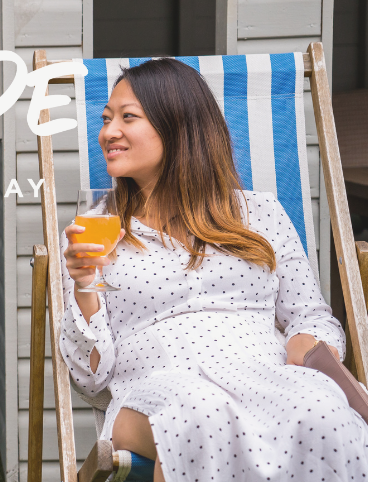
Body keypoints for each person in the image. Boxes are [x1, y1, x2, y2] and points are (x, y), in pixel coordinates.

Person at [60, 58, 368, 481]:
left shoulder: (260, 214)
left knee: (322, 409)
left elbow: (309, 317)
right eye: (107, 118)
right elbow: (89, 378)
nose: (107, 132)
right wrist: (84, 286)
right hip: (160, 391)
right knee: (201, 414)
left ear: (179, 127)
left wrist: (310, 344)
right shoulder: (97, 231)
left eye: (127, 118)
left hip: (264, 379)